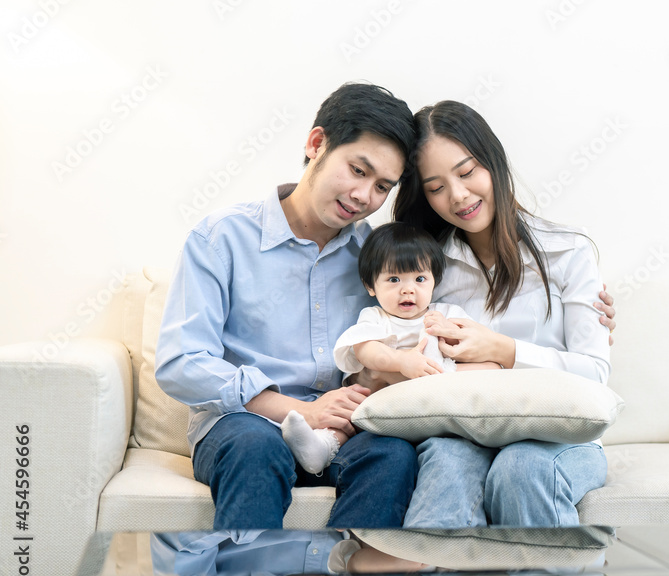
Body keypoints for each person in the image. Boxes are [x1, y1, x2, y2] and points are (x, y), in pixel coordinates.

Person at [155, 82, 419, 529]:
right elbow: (181, 362)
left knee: (393, 454)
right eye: (357, 170)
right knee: (255, 448)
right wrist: (299, 410)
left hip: (342, 428)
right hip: (244, 425)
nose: (363, 196)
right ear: (317, 144)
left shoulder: (377, 256)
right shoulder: (221, 238)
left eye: (381, 187)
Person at [389, 100, 614, 527]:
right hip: (464, 431)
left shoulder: (569, 252)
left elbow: (594, 376)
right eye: (435, 187)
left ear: (493, 161)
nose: (458, 196)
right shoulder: (426, 271)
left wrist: (504, 350)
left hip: (557, 437)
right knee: (448, 462)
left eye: (467, 171)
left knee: (521, 469)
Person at [280, 222, 500, 474]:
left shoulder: (448, 313)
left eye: (419, 279)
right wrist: (401, 362)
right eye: (394, 279)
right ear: (371, 286)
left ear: (434, 282)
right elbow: (365, 350)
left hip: (437, 397)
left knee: (491, 369)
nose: (408, 289)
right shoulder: (375, 317)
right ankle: (321, 447)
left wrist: (448, 333)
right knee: (347, 413)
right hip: (381, 404)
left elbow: (476, 350)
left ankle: (440, 380)